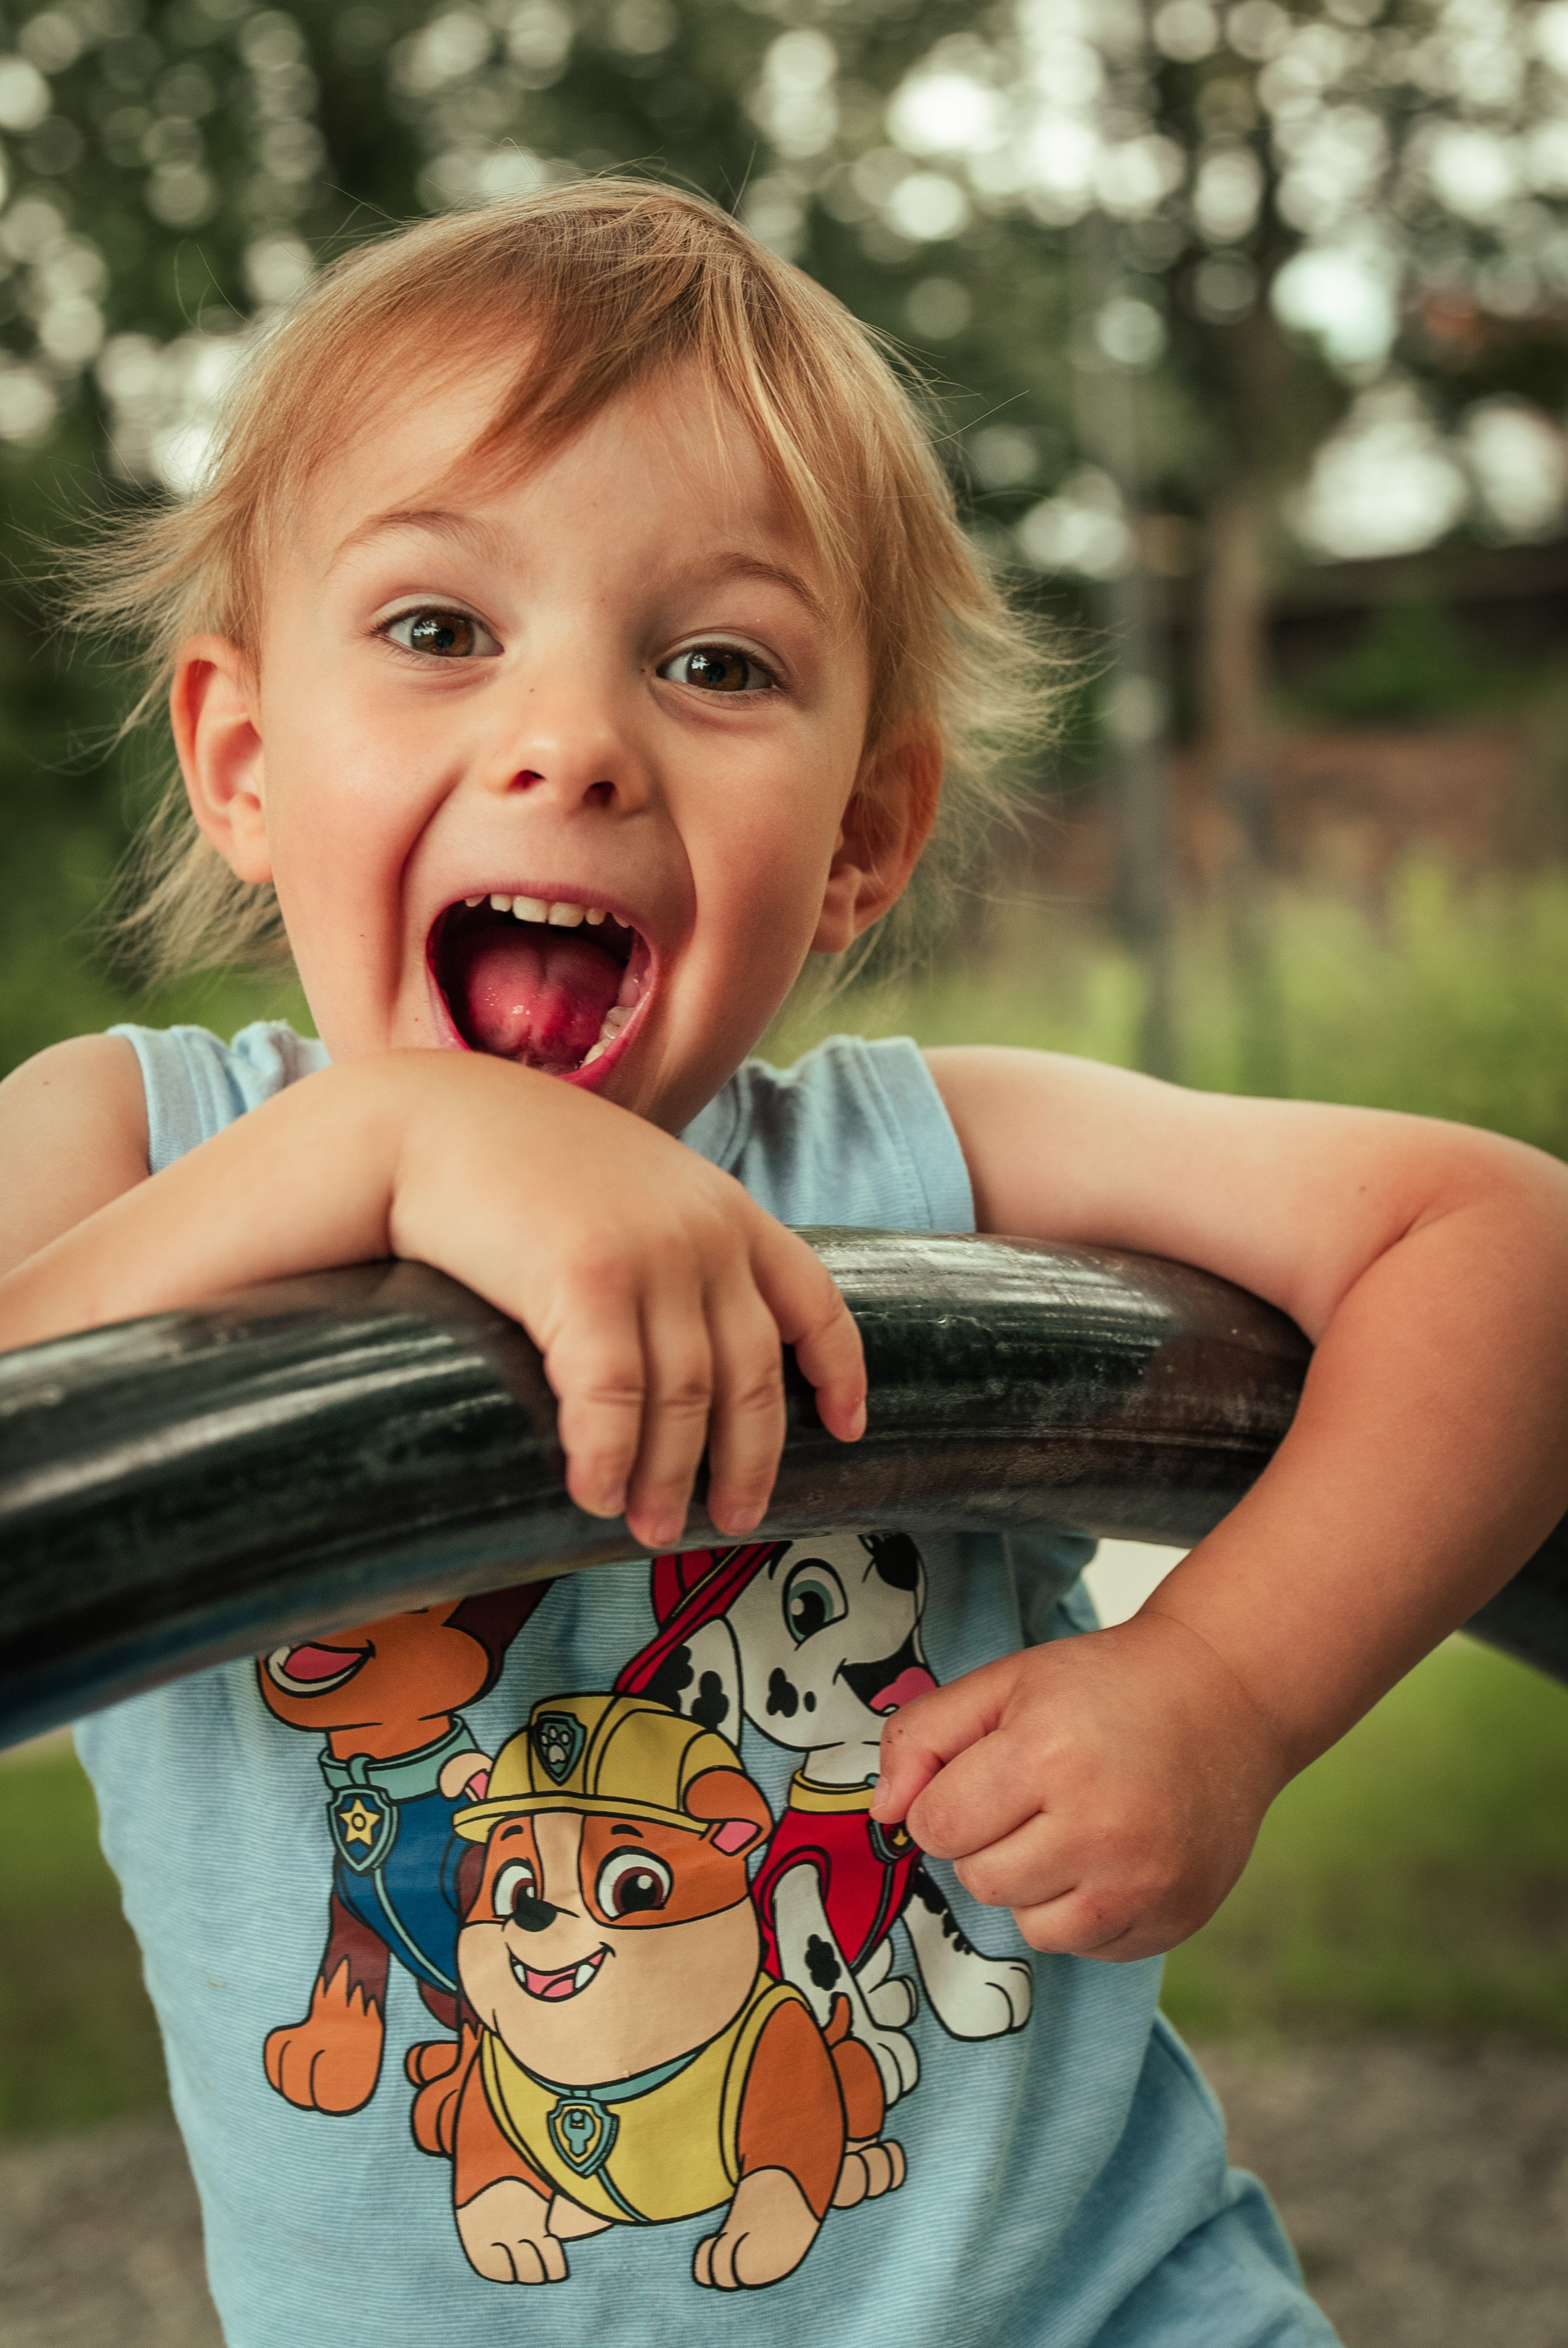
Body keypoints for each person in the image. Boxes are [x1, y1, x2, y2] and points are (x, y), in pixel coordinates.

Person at [0, 181, 1564, 2348]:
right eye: (441, 629)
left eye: (715, 661)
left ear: (858, 839)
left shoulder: (923, 1159)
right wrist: (377, 1142)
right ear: (246, 763)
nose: (572, 740)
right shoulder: (119, 1146)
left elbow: (1498, 1240)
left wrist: (1221, 1688)